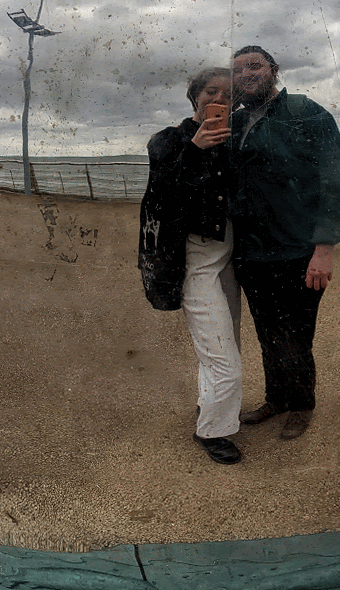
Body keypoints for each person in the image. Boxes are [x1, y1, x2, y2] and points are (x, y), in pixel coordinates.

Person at [230, 46, 340, 440]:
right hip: (251, 254)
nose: (246, 74)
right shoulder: (233, 123)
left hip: (298, 252)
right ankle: (276, 398)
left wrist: (325, 248)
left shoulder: (305, 112)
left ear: (274, 71)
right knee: (266, 331)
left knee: (296, 333)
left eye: (254, 66)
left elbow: (335, 178)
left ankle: (301, 404)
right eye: (238, 70)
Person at [138, 68, 242, 465]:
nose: (219, 99)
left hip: (229, 257)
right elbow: (160, 197)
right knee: (224, 360)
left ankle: (209, 408)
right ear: (195, 97)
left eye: (228, 95)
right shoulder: (167, 140)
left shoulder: (234, 140)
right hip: (194, 260)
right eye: (211, 91)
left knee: (222, 346)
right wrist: (195, 149)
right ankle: (212, 432)